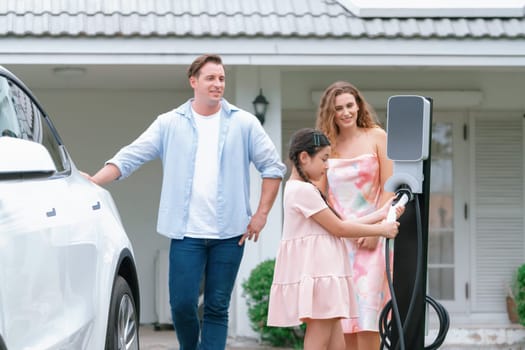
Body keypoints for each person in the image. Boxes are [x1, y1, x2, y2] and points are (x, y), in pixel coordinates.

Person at [82, 54, 286, 350]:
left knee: (217, 306)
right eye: (210, 78)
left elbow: (273, 168)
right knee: (181, 304)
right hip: (186, 234)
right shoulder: (169, 123)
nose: (218, 84)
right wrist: (96, 180)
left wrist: (262, 214)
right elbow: (131, 155)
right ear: (194, 82)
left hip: (230, 234)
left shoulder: (244, 123)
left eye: (221, 78)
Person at [266, 128, 400, 350]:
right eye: (324, 159)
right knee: (318, 341)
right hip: (321, 277)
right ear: (303, 157)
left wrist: (381, 214)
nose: (327, 165)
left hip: (327, 276)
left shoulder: (304, 190)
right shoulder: (302, 191)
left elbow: (341, 223)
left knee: (337, 345)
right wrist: (382, 230)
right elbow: (339, 228)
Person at [316, 81, 394, 350]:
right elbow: (321, 196)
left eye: (350, 105)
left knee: (368, 316)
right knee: (345, 318)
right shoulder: (326, 145)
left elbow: (389, 187)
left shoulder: (377, 136)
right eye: (339, 108)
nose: (346, 112)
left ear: (358, 105)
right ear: (331, 113)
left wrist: (376, 229)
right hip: (339, 239)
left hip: (372, 239)